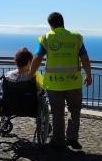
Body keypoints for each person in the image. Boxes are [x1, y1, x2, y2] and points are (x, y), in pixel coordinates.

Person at [29, 12, 92, 151]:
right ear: (63, 22)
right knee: (74, 111)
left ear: (50, 25)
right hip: (74, 82)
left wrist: (31, 74)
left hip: (54, 83)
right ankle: (72, 138)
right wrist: (89, 75)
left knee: (57, 112)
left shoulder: (47, 38)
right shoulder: (76, 37)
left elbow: (38, 57)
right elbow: (85, 57)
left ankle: (58, 141)